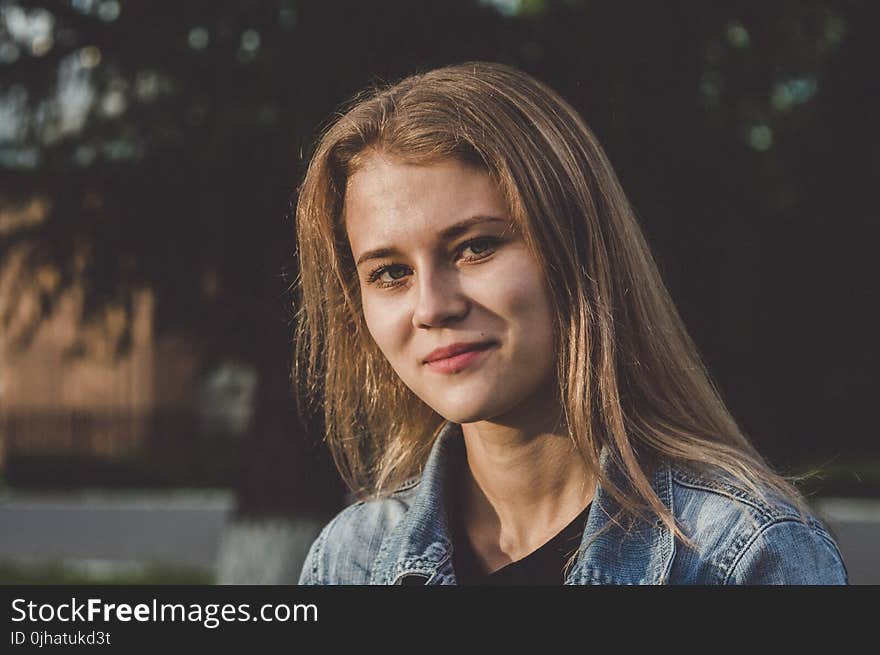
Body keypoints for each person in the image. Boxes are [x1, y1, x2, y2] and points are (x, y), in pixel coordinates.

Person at [292, 61, 848, 585]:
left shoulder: (743, 555)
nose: (432, 307)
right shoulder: (351, 560)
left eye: (475, 247)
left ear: (576, 249)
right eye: (390, 273)